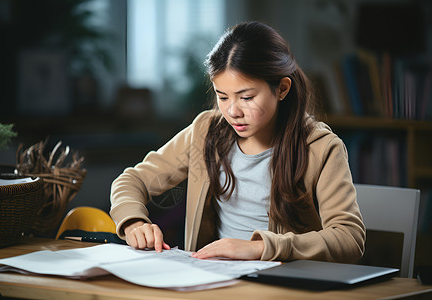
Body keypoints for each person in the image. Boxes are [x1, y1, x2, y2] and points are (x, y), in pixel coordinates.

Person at [110, 21, 365, 263]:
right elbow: (132, 180)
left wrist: (260, 248)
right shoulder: (206, 131)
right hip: (215, 279)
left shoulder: (321, 148)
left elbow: (350, 237)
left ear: (282, 89)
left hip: (285, 285)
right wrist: (133, 221)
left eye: (246, 97)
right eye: (223, 96)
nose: (232, 111)